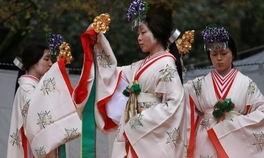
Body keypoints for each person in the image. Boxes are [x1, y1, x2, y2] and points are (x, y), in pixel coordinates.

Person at [80, 3, 189, 157]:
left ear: (157, 34)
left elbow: (174, 104)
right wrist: (99, 42)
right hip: (136, 128)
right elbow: (113, 74)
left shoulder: (166, 64)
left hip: (149, 132)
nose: (139, 38)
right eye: (138, 33)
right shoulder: (141, 65)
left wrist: (140, 120)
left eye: (143, 32)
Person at [185, 25, 264, 158]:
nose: (219, 58)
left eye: (224, 53)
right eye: (214, 54)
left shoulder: (246, 83)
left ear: (233, 55)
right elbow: (178, 97)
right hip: (205, 140)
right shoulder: (198, 84)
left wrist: (238, 123)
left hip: (235, 140)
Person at [7, 40, 82, 158]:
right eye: (46, 59)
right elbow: (37, 119)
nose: (51, 64)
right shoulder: (26, 89)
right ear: (33, 63)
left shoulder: (34, 88)